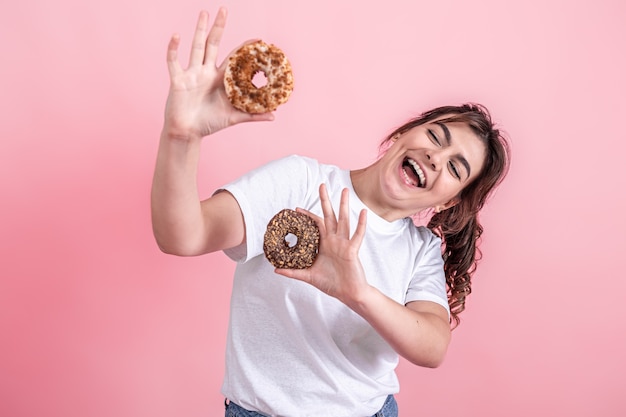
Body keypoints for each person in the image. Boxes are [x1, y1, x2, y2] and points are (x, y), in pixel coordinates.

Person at [151, 7, 510, 417]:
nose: (434, 155)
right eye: (434, 135)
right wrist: (181, 136)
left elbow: (432, 346)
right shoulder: (299, 182)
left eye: (454, 167)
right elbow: (184, 235)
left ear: (448, 201)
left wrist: (357, 293)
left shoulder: (420, 250)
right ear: (403, 134)